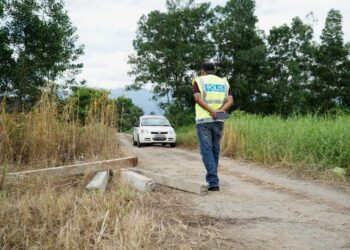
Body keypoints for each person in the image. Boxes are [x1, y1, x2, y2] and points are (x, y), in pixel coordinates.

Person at [192, 62, 234, 191]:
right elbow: (231, 101)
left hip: (204, 120)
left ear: (202, 70)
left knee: (206, 151)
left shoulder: (198, 81)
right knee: (215, 150)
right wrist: (219, 111)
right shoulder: (224, 82)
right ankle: (213, 179)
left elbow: (198, 99)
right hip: (219, 120)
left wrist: (211, 111)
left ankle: (213, 181)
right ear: (214, 70)